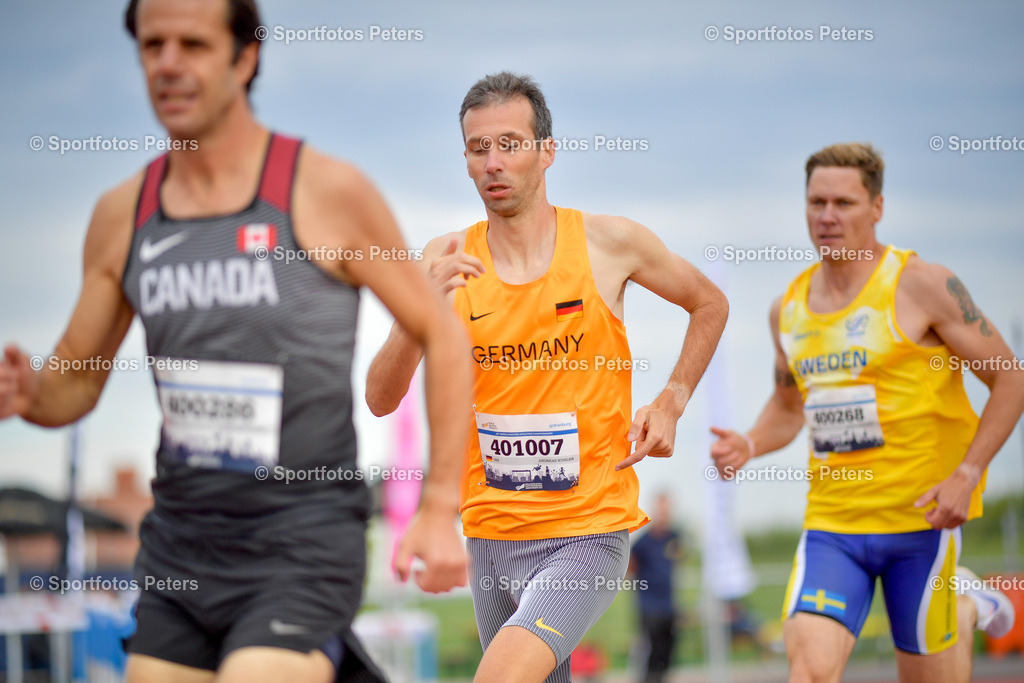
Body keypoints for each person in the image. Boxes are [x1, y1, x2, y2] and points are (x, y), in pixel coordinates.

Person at [0, 0, 473, 681]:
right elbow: (74, 380)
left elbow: (440, 331)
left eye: (192, 44)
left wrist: (437, 506)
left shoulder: (323, 192)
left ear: (245, 57)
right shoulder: (123, 216)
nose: (168, 64)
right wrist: (28, 391)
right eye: (152, 45)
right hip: (182, 551)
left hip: (301, 538)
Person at [365, 72, 729, 683]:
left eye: (510, 143)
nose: (494, 163)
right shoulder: (448, 257)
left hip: (587, 531)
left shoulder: (609, 244)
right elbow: (380, 397)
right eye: (479, 149)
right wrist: (417, 312)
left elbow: (709, 303)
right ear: (465, 159)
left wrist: (672, 399)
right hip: (490, 534)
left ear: (547, 150)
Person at [710, 142, 1024, 683]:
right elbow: (790, 407)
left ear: (876, 207)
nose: (827, 216)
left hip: (923, 521)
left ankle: (966, 604)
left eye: (844, 203)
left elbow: (1010, 378)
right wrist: (751, 443)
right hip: (834, 526)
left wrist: (967, 474)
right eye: (816, 202)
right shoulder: (787, 309)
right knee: (808, 671)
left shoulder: (923, 285)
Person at [629, 492, 684, 683]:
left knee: (667, 652)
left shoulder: (675, 537)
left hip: (669, 605)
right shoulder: (642, 542)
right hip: (648, 606)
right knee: (649, 654)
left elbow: (677, 560)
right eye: (661, 510)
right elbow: (630, 567)